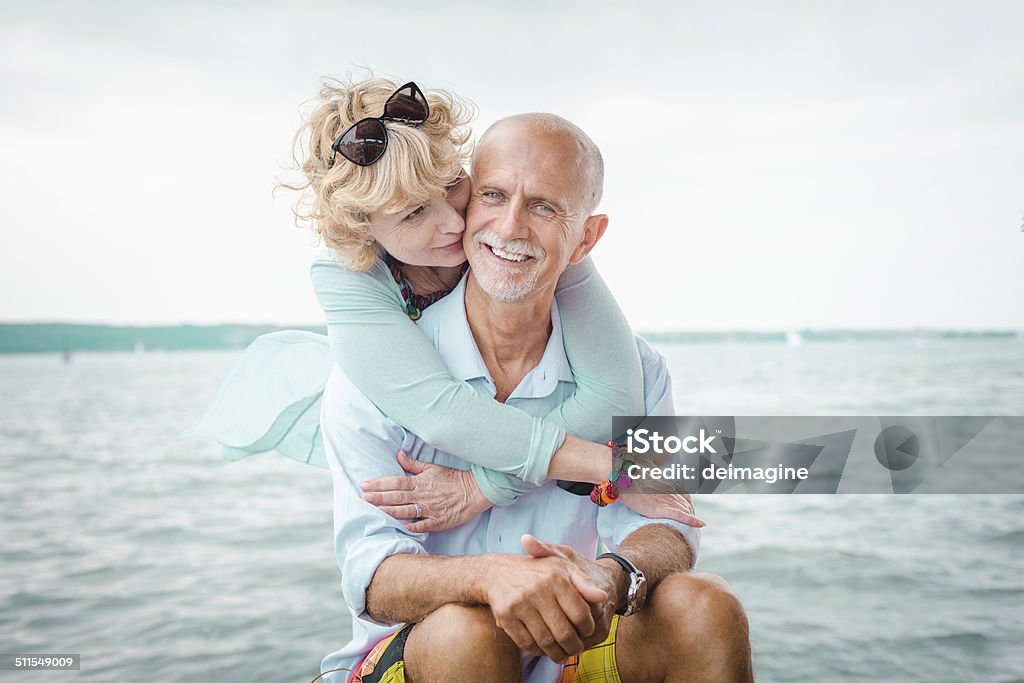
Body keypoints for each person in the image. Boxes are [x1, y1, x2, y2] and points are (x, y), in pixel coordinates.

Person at [318, 114, 753, 683]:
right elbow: (370, 576)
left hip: (576, 654)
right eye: (494, 195)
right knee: (465, 633)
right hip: (424, 656)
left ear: (586, 239)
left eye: (544, 207)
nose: (512, 224)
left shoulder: (637, 371)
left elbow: (670, 522)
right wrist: (490, 578)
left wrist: (611, 575)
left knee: (707, 606)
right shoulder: (375, 376)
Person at [185, 77, 701, 529]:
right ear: (366, 230)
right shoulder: (348, 275)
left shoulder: (527, 237)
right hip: (406, 393)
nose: (455, 223)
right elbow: (440, 413)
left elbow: (615, 399)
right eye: (413, 215)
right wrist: (616, 468)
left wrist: (483, 488)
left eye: (453, 185)